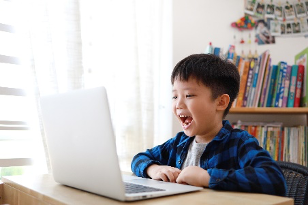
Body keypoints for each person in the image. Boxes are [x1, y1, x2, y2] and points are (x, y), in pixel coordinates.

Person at [131, 54, 287, 196]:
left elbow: (274, 179)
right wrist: (154, 169)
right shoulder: (179, 143)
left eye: (188, 95)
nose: (178, 104)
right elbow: (139, 158)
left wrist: (207, 177)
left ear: (220, 102)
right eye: (174, 96)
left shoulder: (239, 143)